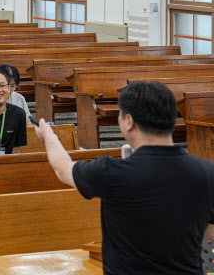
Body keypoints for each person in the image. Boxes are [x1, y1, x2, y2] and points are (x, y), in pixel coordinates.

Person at [33, 80, 214, 275]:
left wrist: (49, 136)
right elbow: (209, 232)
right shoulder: (207, 172)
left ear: (129, 121)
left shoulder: (111, 172)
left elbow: (63, 168)